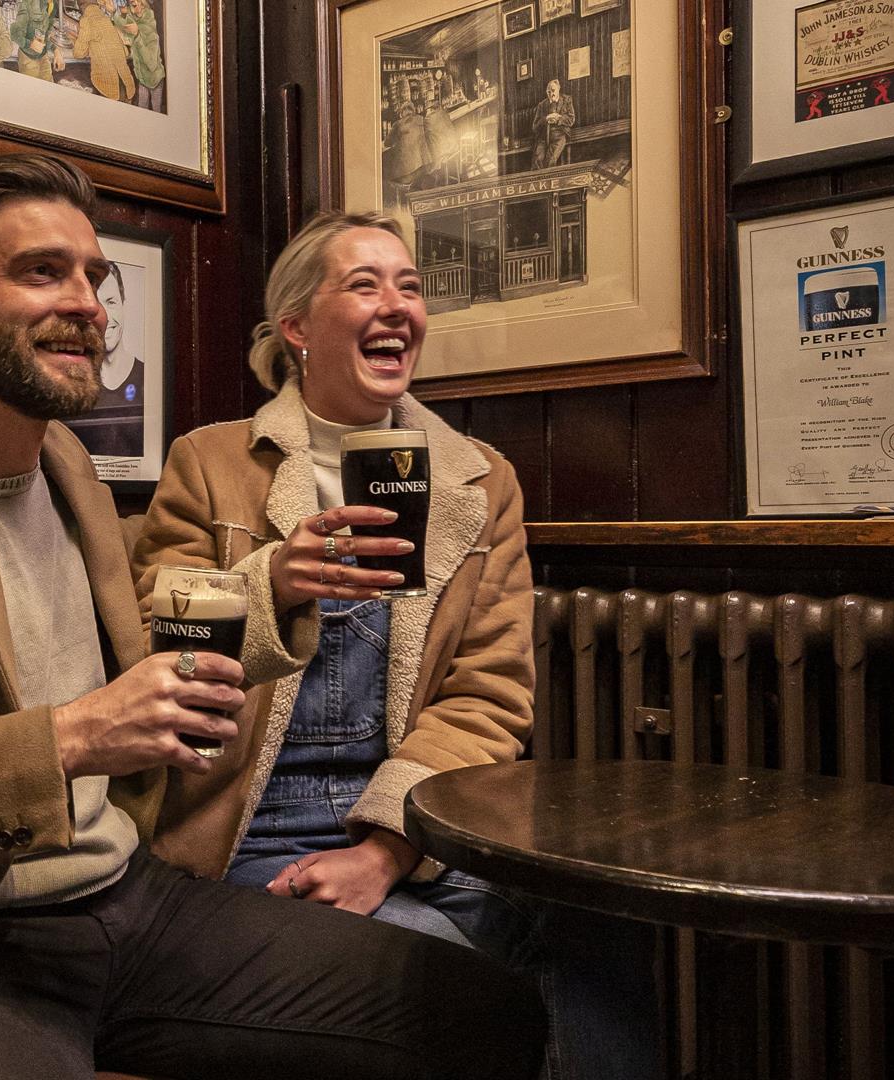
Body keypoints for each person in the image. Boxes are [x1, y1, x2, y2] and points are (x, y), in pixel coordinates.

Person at [0, 156, 545, 1080]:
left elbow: (164, 655)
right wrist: (67, 738)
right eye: (42, 272)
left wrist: (274, 598)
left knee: (485, 1011)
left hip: (127, 894)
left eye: (94, 277)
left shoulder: (71, 472)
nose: (89, 302)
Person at [131, 209, 659, 1080]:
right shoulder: (213, 460)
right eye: (365, 284)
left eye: (409, 287)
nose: (396, 305)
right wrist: (275, 579)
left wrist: (386, 850)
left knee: (601, 924)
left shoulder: (478, 480)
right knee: (450, 975)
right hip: (251, 825)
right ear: (297, 326)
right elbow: (158, 633)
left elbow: (488, 695)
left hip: (421, 817)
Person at [64, 268, 145, 458]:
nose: (105, 316)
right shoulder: (70, 383)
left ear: (124, 305)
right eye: (98, 304)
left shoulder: (149, 380)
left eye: (111, 302)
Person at [72, 0, 136, 102]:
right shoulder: (108, 19)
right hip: (127, 86)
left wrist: (77, 41)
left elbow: (78, 54)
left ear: (81, 8)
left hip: (109, 88)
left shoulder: (86, 20)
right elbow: (125, 52)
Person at [118, 0, 165, 111]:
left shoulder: (151, 34)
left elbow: (152, 64)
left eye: (139, 5)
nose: (136, 8)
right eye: (132, 5)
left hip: (155, 80)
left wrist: (137, 35)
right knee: (142, 108)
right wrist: (122, 14)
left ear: (144, 6)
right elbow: (122, 23)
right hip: (143, 78)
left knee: (156, 110)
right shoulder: (136, 21)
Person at [532, 78, 576, 169]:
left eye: (553, 90)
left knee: (550, 160)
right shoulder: (542, 105)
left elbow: (571, 119)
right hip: (543, 136)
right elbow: (535, 126)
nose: (551, 94)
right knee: (537, 160)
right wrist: (546, 118)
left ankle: (551, 181)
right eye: (548, 92)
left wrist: (558, 118)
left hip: (560, 134)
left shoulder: (567, 100)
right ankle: (540, 182)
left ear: (559, 88)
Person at [12, 0, 60, 81]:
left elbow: (46, 33)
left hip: (43, 56)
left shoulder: (53, 4)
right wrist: (30, 44)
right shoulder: (28, 4)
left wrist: (55, 50)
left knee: (50, 89)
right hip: (28, 58)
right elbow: (15, 33)